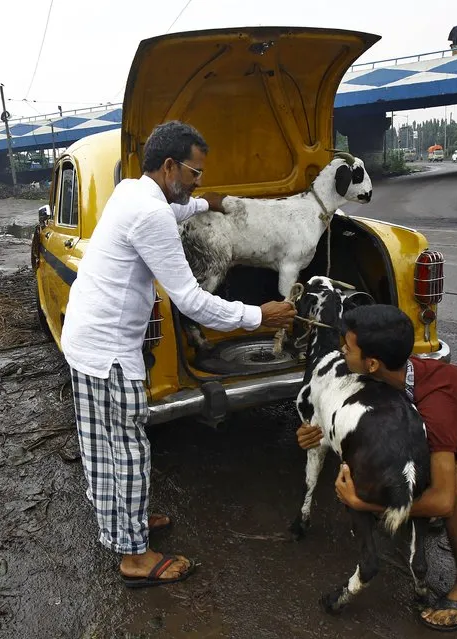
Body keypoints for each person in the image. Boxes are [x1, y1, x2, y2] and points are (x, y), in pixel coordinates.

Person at [62, 121, 296, 588]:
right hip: (110, 352)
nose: (198, 181)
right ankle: (134, 557)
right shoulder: (150, 214)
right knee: (128, 449)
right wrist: (258, 316)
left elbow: (175, 210)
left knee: (101, 444)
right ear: (169, 167)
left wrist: (204, 204)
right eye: (195, 174)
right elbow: (189, 299)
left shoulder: (133, 192)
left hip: (84, 341)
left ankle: (121, 523)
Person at [297, 304, 457, 632]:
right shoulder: (391, 372)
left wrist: (363, 503)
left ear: (371, 363)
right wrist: (313, 431)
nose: (342, 351)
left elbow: (443, 500)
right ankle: (421, 508)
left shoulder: (437, 407)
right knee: (431, 482)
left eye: (347, 347)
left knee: (453, 493)